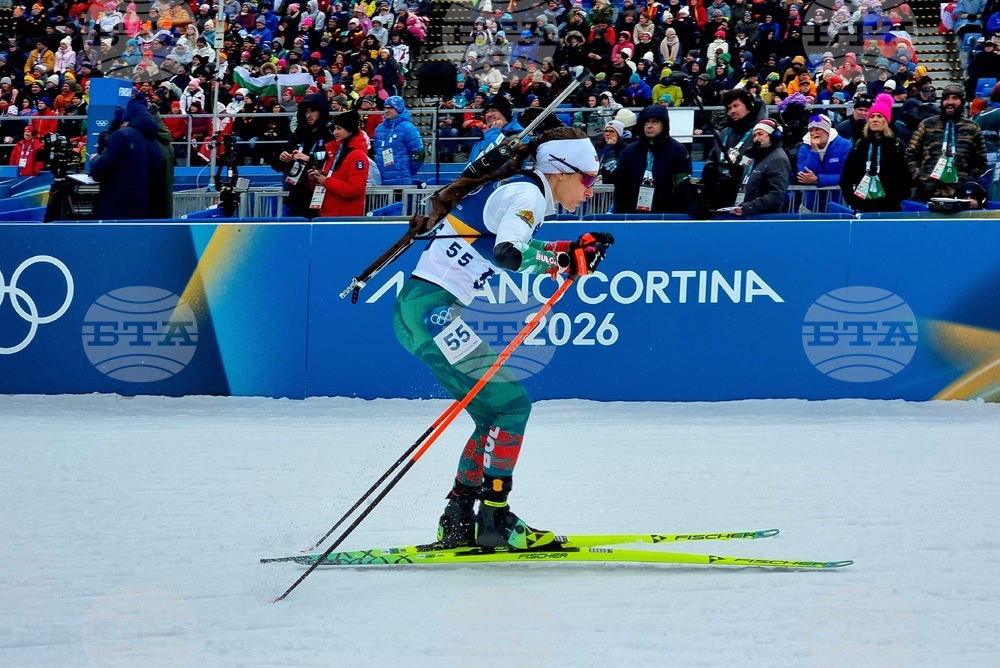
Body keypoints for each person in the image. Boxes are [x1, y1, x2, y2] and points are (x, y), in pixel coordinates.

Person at [392, 127, 612, 551]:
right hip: (431, 315)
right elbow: (508, 253)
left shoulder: (521, 192)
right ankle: (495, 519)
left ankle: (457, 519)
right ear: (560, 171)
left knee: (493, 415)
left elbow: (506, 242)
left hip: (422, 313)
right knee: (513, 406)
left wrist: (569, 249)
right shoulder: (527, 196)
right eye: (586, 178)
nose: (591, 188)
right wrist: (565, 259)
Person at [905, 84, 987, 201]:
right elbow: (910, 155)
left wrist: (967, 181)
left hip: (959, 194)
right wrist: (919, 177)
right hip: (926, 193)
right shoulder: (926, 125)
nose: (950, 102)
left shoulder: (972, 128)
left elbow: (981, 162)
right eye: (947, 98)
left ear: (962, 102)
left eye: (955, 98)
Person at [609, 104, 696, 214]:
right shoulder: (629, 151)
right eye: (646, 122)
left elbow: (683, 186)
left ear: (664, 125)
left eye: (655, 122)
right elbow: (621, 186)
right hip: (632, 215)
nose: (649, 126)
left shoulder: (678, 150)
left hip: (667, 214)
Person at [89, 98, 164, 220]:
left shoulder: (122, 135)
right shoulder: (154, 142)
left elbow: (102, 167)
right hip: (143, 207)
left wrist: (95, 160)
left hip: (115, 205)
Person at [840, 93, 912, 212]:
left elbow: (906, 176)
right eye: (872, 116)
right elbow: (847, 176)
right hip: (863, 206)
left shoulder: (897, 145)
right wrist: (852, 199)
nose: (875, 120)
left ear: (886, 120)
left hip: (890, 207)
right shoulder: (860, 145)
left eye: (879, 116)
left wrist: (898, 197)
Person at [271, 92, 333, 219]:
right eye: (306, 111)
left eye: (313, 111)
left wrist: (309, 159)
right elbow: (276, 165)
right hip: (297, 196)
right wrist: (282, 158)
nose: (308, 115)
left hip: (322, 195)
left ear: (322, 112)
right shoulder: (298, 135)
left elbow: (333, 162)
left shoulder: (330, 136)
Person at [307, 108, 370, 217]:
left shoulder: (357, 156)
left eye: (339, 128)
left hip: (344, 217)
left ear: (350, 130)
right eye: (334, 128)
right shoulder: (333, 152)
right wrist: (315, 178)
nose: (335, 132)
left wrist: (325, 181)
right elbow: (330, 179)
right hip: (328, 213)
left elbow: (354, 190)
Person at [732, 119, 792, 217]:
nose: (756, 139)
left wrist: (750, 207)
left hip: (763, 217)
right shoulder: (757, 157)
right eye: (755, 135)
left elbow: (776, 195)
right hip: (749, 213)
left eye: (760, 134)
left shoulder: (778, 159)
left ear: (774, 136)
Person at [795, 113, 852, 211]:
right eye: (811, 130)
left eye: (817, 129)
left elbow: (847, 176)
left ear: (827, 131)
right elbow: (803, 175)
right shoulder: (804, 149)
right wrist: (813, 151)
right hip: (810, 205)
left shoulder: (844, 145)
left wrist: (818, 180)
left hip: (837, 204)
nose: (813, 133)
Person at [373, 95, 425, 185]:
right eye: (385, 108)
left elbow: (419, 152)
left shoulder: (408, 128)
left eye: (390, 108)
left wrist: (408, 170)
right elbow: (376, 150)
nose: (386, 111)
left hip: (401, 179)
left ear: (399, 109)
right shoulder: (379, 128)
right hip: (381, 179)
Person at [468, 94, 524, 165]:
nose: (489, 115)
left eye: (494, 110)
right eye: (487, 111)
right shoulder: (486, 135)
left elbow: (502, 163)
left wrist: (494, 131)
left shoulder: (520, 135)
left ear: (505, 113)